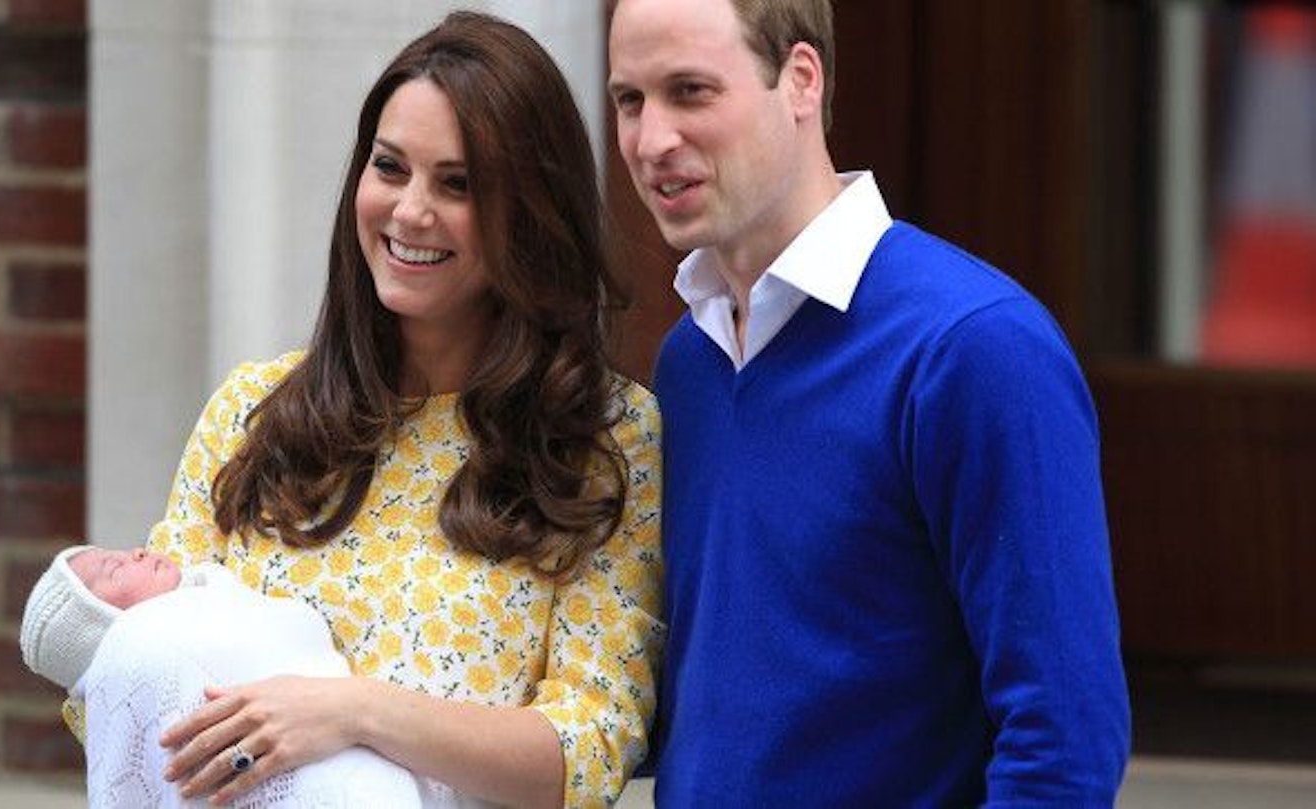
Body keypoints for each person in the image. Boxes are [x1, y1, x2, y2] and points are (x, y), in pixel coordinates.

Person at [127, 10, 662, 809]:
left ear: (533, 213)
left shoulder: (605, 438)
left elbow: (587, 749)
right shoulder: (252, 412)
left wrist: (352, 712)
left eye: (458, 184)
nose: (410, 211)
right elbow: (136, 669)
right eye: (390, 167)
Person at [606, 0, 1130, 805]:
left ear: (801, 80)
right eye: (629, 100)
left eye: (691, 91)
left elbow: (1065, 744)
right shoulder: (691, 362)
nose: (651, 140)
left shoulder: (974, 348)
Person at [20, 545, 423, 808]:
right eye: (115, 569)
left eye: (123, 551)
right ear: (102, 627)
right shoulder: (147, 651)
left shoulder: (217, 594)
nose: (137, 553)